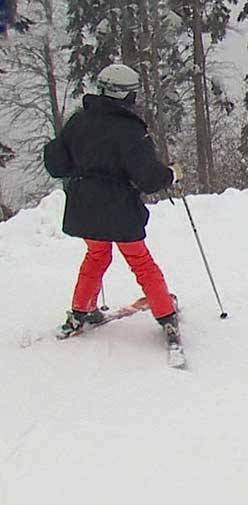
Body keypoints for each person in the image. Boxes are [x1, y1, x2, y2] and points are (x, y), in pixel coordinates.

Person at [43, 63, 180, 346]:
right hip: (120, 209)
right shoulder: (130, 131)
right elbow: (148, 179)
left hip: (83, 205)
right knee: (140, 261)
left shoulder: (78, 121)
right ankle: (166, 316)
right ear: (125, 96)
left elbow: (57, 164)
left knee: (96, 255)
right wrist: (172, 173)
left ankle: (80, 312)